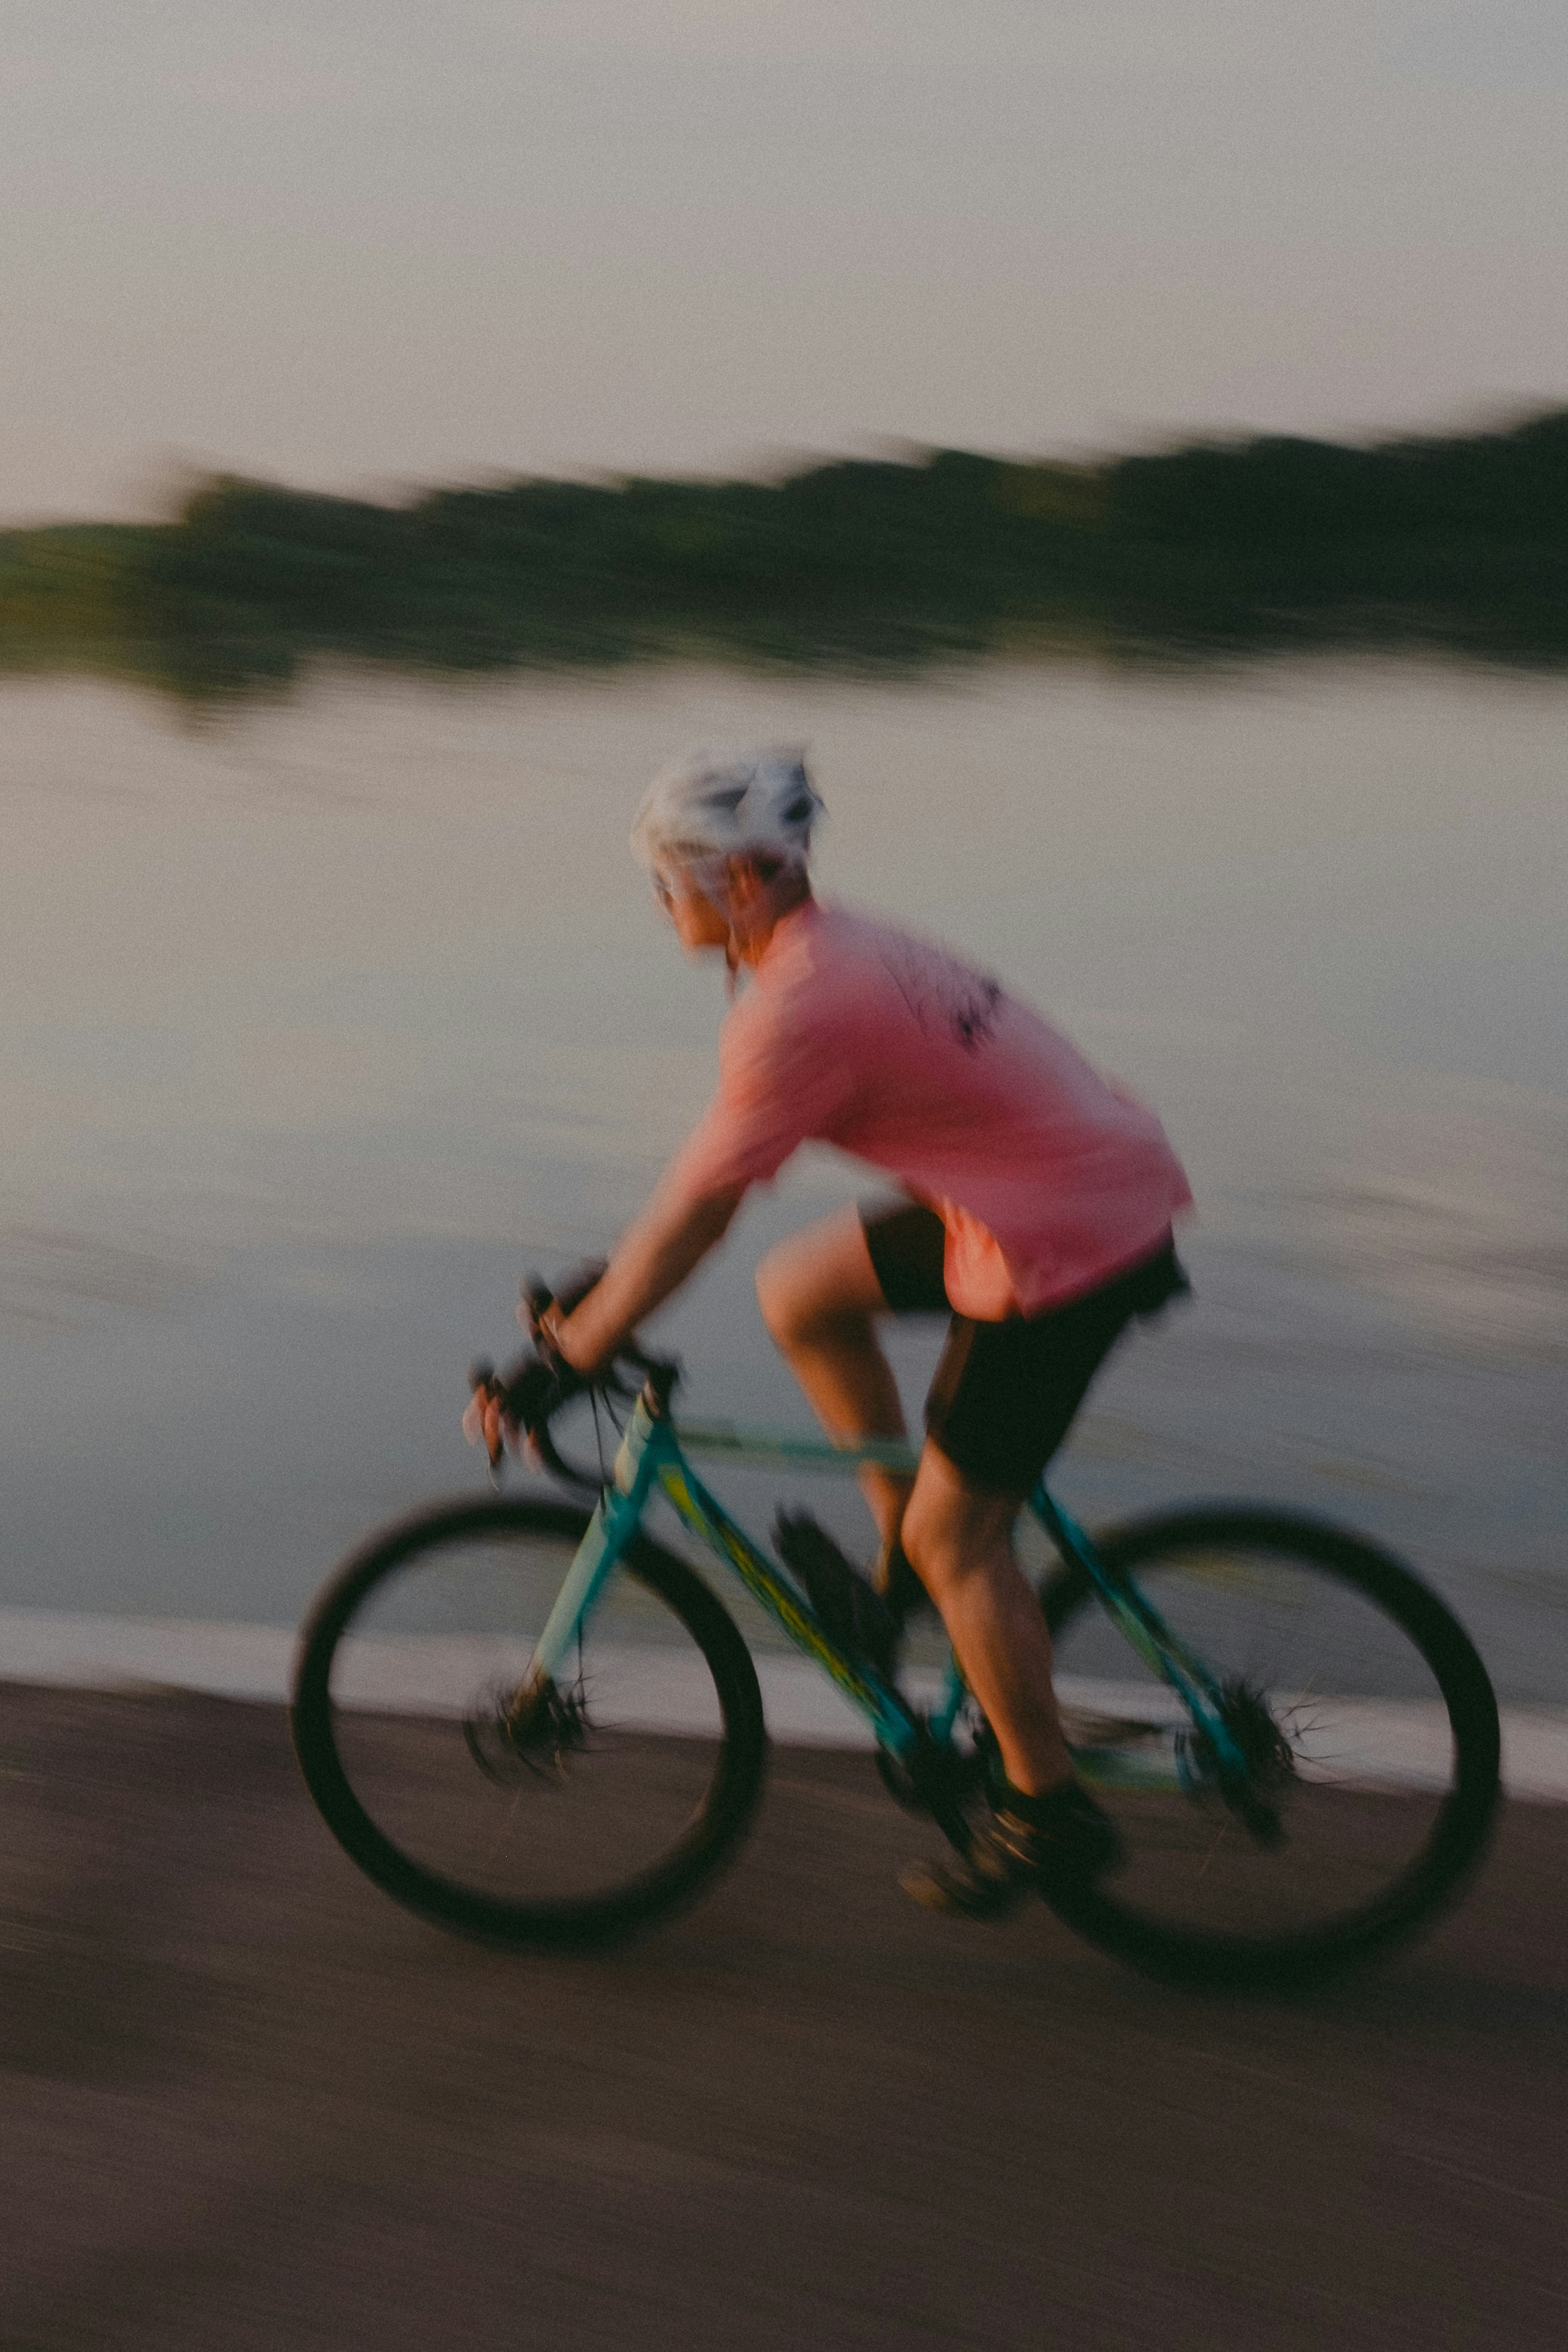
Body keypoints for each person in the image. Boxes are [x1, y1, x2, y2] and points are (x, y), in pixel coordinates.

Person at [472, 745, 1192, 1920]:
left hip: (1065, 1240)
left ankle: (1045, 1809)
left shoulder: (799, 1006)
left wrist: (566, 1361)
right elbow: (698, 1195)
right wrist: (608, 1293)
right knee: (800, 1291)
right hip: (1055, 1190)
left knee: (967, 1541)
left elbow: (695, 1219)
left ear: (744, 881)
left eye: (671, 882)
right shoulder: (832, 950)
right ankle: (895, 1572)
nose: (662, 905)